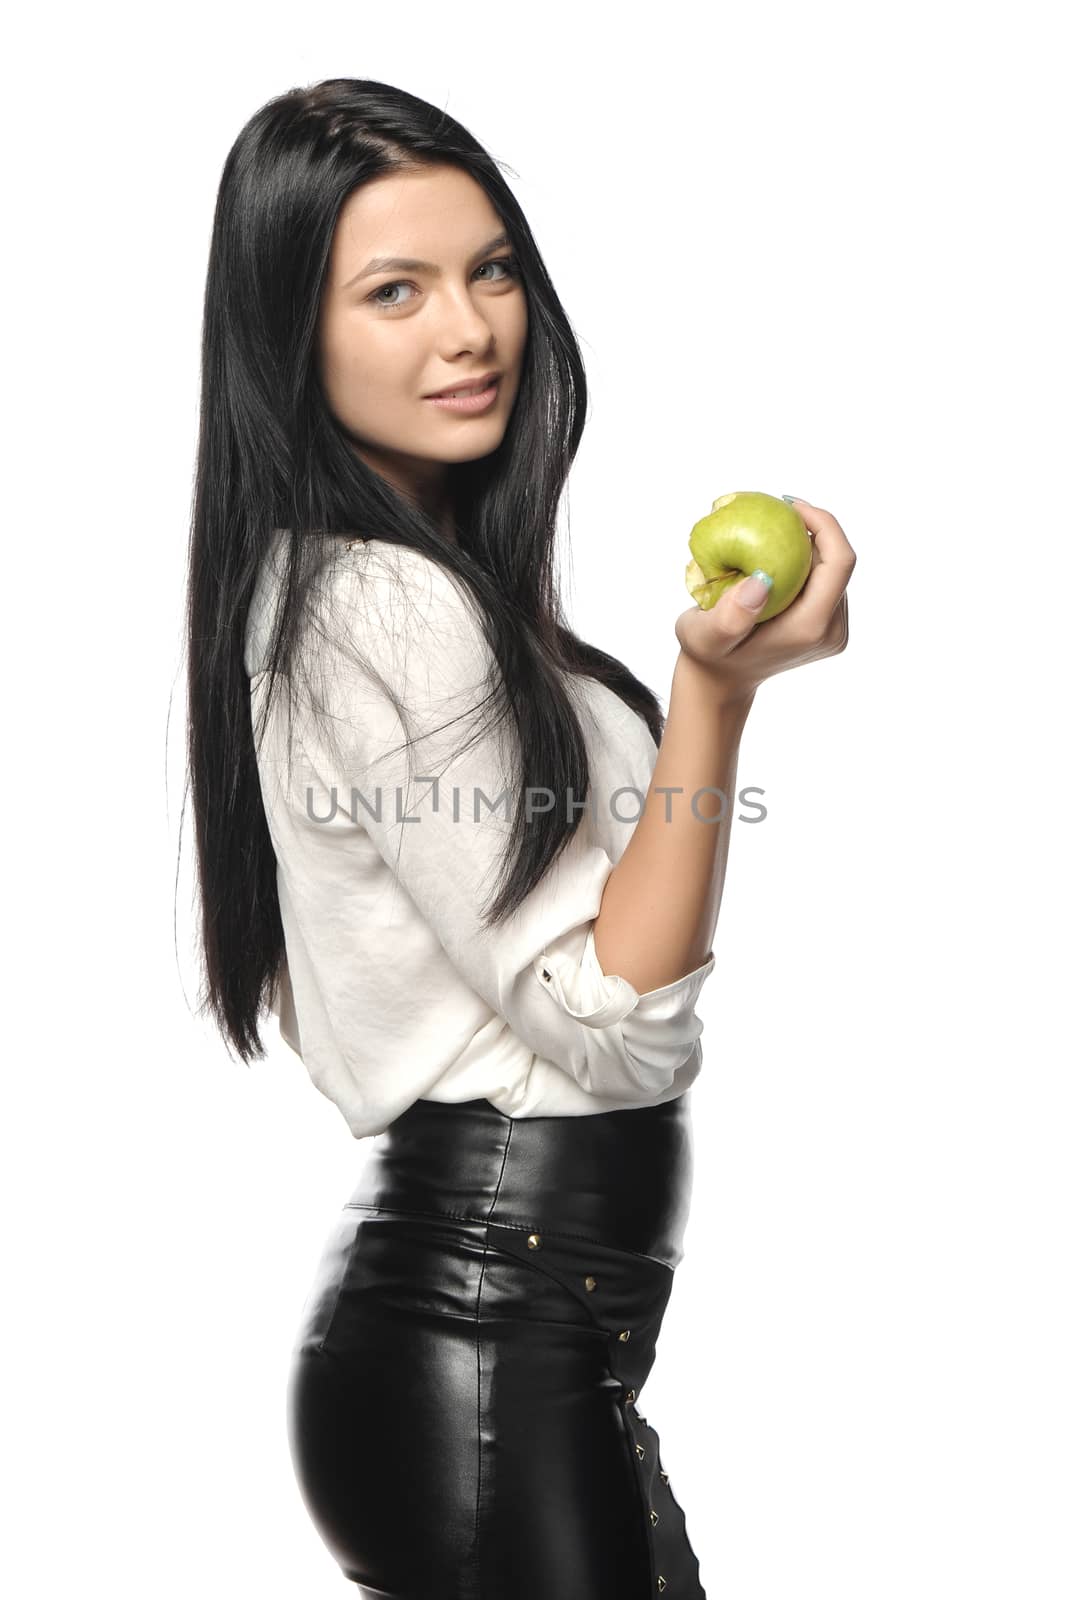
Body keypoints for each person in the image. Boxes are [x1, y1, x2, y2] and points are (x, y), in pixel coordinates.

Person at [185, 77, 856, 1600]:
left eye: (489, 269)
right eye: (393, 291)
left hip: (518, 1337)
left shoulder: (403, 596)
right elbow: (599, 1022)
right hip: (485, 1333)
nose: (468, 330)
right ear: (289, 335)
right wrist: (709, 694)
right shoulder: (380, 605)